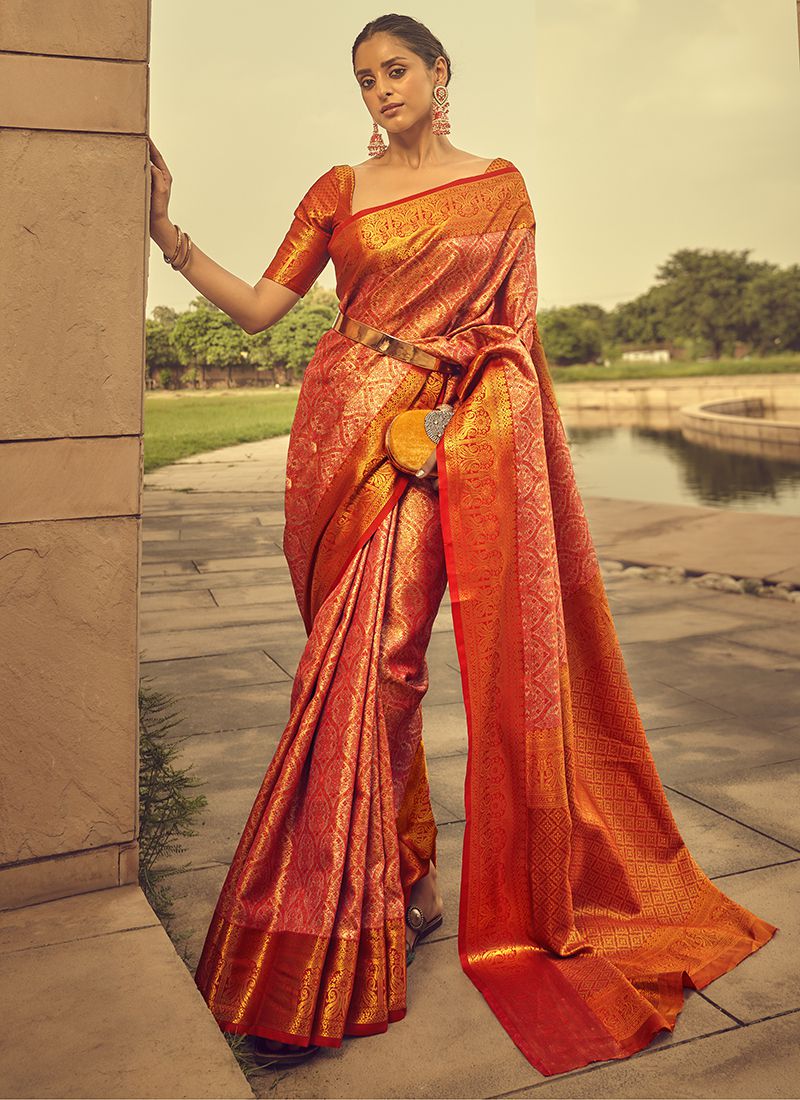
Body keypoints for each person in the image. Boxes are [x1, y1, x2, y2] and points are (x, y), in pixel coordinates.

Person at [147, 12, 779, 1080]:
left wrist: (454, 430)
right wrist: (165, 232)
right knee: (347, 668)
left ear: (441, 74)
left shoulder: (498, 185)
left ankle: (321, 944)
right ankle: (412, 881)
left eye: (395, 70)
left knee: (374, 670)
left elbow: (513, 340)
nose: (378, 91)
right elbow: (262, 310)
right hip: (333, 432)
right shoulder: (335, 191)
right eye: (362, 79)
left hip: (429, 443)